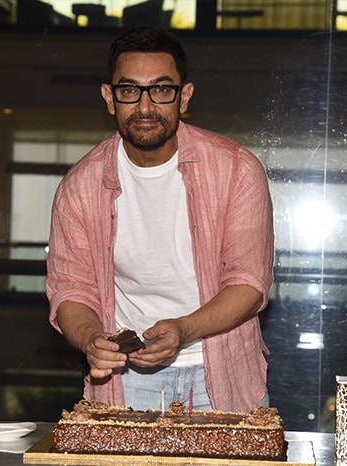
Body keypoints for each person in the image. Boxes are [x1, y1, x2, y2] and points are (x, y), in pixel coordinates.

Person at [46, 24, 274, 413]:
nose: (146, 106)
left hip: (222, 369)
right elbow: (71, 290)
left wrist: (184, 330)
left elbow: (249, 283)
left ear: (184, 96)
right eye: (130, 90)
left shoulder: (237, 170)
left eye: (162, 89)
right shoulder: (79, 187)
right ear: (109, 98)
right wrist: (90, 341)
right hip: (125, 380)